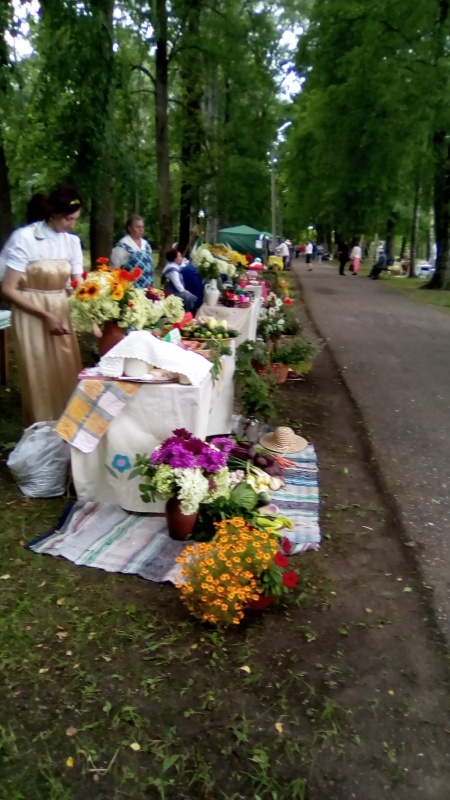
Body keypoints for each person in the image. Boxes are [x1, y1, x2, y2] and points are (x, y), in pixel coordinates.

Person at [1, 186, 83, 424]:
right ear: (54, 214)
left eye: (76, 220)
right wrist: (45, 315)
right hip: (31, 311)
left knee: (66, 370)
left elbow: (76, 285)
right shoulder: (25, 238)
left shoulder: (72, 243)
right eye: (69, 219)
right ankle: (41, 430)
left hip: (62, 310)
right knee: (39, 374)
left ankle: (68, 428)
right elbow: (8, 288)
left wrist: (93, 310)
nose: (72, 225)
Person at [110, 214, 153, 289]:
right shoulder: (122, 246)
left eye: (142, 227)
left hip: (148, 289)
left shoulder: (146, 245)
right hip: (132, 290)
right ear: (129, 228)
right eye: (138, 227)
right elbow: (114, 270)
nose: (141, 229)